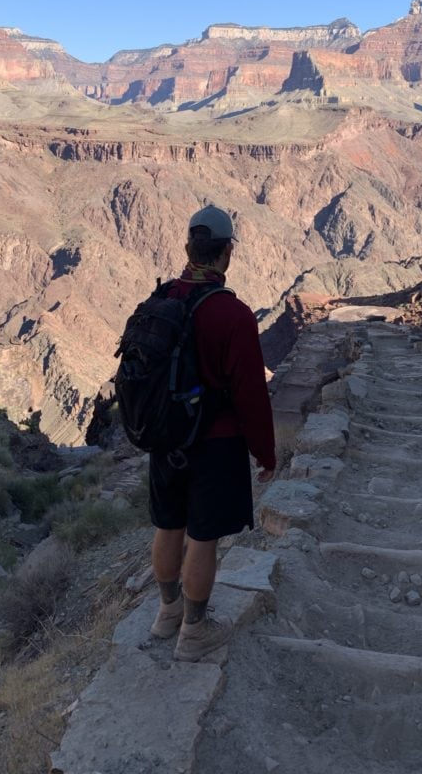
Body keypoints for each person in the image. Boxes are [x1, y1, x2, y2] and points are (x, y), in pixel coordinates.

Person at [149, 204, 276, 662]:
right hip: (215, 442)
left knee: (168, 526)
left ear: (189, 249)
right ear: (227, 254)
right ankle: (194, 632)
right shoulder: (233, 314)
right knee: (202, 540)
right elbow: (250, 396)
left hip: (166, 439)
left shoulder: (162, 299)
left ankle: (166, 614)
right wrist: (266, 454)